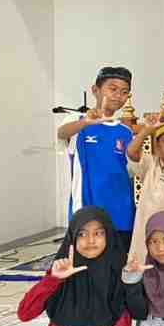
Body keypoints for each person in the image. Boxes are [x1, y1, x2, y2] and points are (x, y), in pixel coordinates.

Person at [17, 206, 131, 326]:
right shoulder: (60, 274)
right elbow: (25, 313)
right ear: (72, 238)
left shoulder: (117, 275)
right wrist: (53, 279)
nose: (90, 241)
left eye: (98, 233)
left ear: (109, 237)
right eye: (82, 234)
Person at [57, 66, 136, 246]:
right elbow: (61, 133)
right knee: (87, 256)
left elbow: (132, 168)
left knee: (119, 258)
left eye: (124, 92)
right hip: (87, 209)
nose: (118, 95)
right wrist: (85, 122)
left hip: (121, 211)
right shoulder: (77, 121)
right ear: (95, 90)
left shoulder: (125, 131)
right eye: (112, 89)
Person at [125, 115, 164, 262]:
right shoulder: (150, 164)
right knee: (140, 266)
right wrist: (146, 131)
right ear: (157, 145)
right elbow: (131, 152)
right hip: (144, 233)